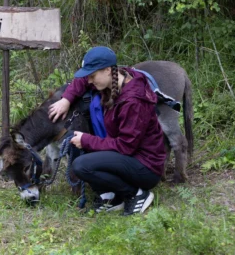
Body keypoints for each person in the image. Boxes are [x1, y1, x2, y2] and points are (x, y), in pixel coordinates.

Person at [48, 46, 166, 215]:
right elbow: (82, 80)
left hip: (145, 166)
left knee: (82, 165)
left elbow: (126, 146)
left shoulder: (134, 101)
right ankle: (112, 197)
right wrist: (66, 99)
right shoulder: (115, 77)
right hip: (129, 157)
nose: (89, 81)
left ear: (108, 70)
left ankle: (136, 194)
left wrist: (87, 140)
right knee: (77, 147)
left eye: (92, 76)